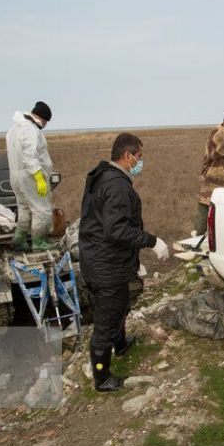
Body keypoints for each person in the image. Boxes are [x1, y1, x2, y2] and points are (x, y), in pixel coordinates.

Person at [79, 132, 170, 391]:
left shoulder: (103, 177)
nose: (140, 162)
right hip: (104, 265)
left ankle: (120, 345)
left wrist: (131, 260)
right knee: (106, 320)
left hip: (104, 259)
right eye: (139, 157)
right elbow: (116, 230)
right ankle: (102, 378)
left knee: (120, 305)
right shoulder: (117, 186)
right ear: (128, 156)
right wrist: (152, 242)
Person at [6, 101, 54, 251]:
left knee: (24, 207)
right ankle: (39, 243)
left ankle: (19, 239)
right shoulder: (31, 130)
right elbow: (30, 157)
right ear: (42, 118)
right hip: (30, 176)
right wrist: (39, 178)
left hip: (16, 176)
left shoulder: (14, 129)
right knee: (42, 210)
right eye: (46, 121)